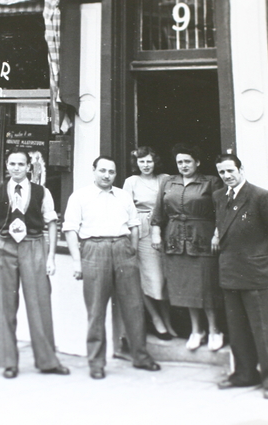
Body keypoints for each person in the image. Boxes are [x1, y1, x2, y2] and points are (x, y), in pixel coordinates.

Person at [63, 156, 161, 379]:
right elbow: (70, 230)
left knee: (134, 306)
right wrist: (77, 261)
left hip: (123, 248)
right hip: (94, 249)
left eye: (111, 172)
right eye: (103, 171)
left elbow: (134, 226)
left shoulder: (123, 196)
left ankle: (141, 356)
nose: (107, 175)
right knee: (96, 309)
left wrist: (132, 251)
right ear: (94, 170)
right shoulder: (80, 196)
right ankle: (96, 362)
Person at [211, 152, 268, 399]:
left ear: (241, 170)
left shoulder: (261, 197)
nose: (226, 176)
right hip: (230, 272)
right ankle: (244, 374)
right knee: (237, 330)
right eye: (222, 172)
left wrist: (263, 259)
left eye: (230, 171)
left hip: (257, 273)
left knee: (265, 329)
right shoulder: (218, 197)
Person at [0, 149, 69, 379]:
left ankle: (47, 361)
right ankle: (8, 361)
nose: (16, 168)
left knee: (39, 304)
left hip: (33, 246)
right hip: (4, 247)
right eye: (12, 163)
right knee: (5, 305)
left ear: (28, 167)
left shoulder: (42, 192)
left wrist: (51, 257)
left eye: (21, 164)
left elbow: (52, 224)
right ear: (6, 165)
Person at [150, 143, 224, 351]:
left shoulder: (211, 182)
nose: (183, 165)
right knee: (187, 289)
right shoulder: (168, 182)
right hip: (174, 239)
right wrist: (156, 232)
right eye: (180, 162)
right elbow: (158, 211)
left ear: (197, 163)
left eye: (187, 161)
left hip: (202, 238)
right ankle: (196, 331)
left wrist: (217, 234)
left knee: (207, 288)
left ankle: (214, 330)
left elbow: (221, 212)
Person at [122, 146, 176, 339]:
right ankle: (156, 319)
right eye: (142, 161)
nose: (145, 165)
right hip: (142, 231)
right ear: (136, 163)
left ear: (156, 162)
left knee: (167, 279)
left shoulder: (165, 179)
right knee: (151, 277)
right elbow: (125, 210)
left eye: (149, 161)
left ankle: (167, 321)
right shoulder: (131, 182)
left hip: (166, 229)